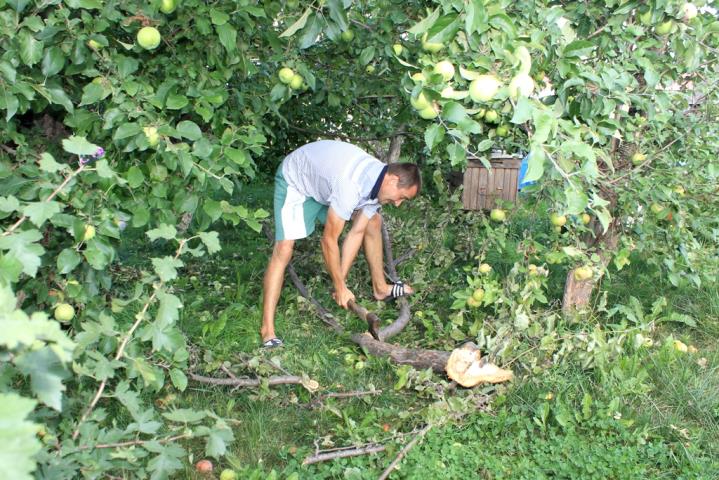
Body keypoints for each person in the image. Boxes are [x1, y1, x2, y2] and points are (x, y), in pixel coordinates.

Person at [260, 140, 421, 348]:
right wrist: (339, 285)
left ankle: (380, 288)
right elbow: (328, 241)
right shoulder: (351, 185)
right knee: (284, 249)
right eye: (401, 197)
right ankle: (267, 330)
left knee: (373, 221)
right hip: (297, 180)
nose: (398, 204)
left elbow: (357, 233)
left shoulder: (377, 185)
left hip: (323, 185)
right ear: (392, 180)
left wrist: (340, 284)